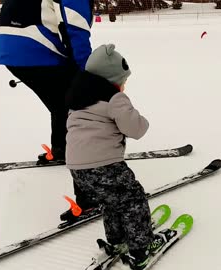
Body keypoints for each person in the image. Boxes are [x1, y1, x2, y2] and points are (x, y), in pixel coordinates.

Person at [65, 44, 166, 270]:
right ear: (111, 79)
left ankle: (117, 239)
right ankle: (141, 249)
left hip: (76, 167)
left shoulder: (78, 97)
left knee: (110, 201)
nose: (124, 85)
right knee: (133, 200)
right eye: (123, 80)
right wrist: (133, 113)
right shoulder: (114, 98)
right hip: (104, 165)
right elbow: (137, 129)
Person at [0, 0, 94, 162]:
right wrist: (87, 70)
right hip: (36, 48)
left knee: (62, 102)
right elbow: (75, 29)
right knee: (71, 99)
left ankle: (63, 148)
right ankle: (75, 149)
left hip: (12, 48)